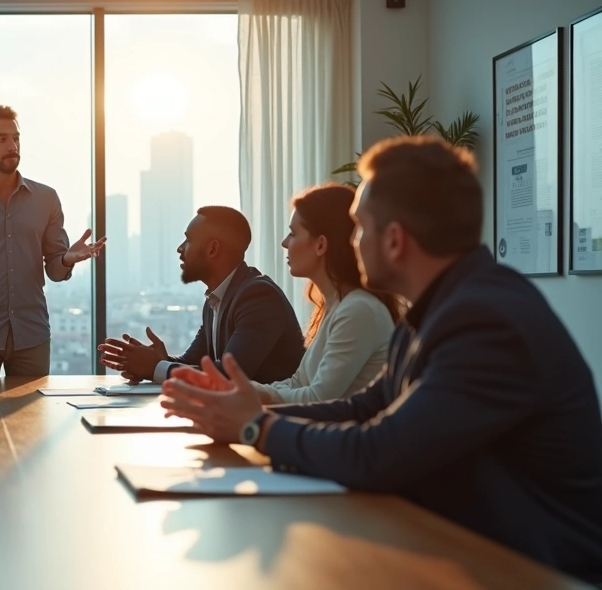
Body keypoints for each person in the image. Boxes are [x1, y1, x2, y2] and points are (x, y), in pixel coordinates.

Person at [160, 136, 602, 584]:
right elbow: (363, 409)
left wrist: (256, 427)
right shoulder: (438, 310)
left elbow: (381, 451)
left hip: (541, 571)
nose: (350, 243)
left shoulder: (486, 321)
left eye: (358, 227)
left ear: (393, 240)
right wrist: (245, 412)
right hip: (469, 548)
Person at [0, 104, 106, 377]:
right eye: (1, 139)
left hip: (31, 335)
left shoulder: (46, 199)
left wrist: (68, 259)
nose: (12, 145)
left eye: (15, 137)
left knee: (32, 418)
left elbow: (56, 272)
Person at [99, 206, 304, 384]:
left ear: (213, 249)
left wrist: (156, 368)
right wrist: (158, 362)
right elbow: (193, 364)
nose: (180, 249)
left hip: (272, 421)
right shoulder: (216, 300)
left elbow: (228, 375)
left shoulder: (258, 296)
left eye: (188, 240)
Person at [252, 184, 400, 404]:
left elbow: (318, 398)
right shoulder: (337, 306)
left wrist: (253, 394)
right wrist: (241, 389)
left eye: (293, 233)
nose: (285, 243)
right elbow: (297, 384)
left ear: (320, 245)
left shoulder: (358, 310)